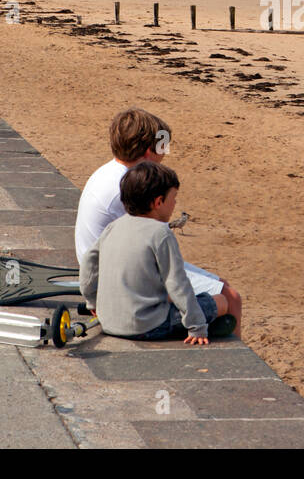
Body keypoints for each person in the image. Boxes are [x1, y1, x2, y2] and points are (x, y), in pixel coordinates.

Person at [74, 108, 236, 323]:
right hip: (121, 277)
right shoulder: (126, 190)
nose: (166, 154)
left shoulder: (110, 172)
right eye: (163, 147)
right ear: (149, 151)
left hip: (106, 267)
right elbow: (148, 248)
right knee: (229, 296)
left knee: (217, 287)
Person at [79, 161, 239, 344]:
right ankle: (209, 327)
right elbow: (178, 283)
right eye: (174, 198)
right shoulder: (161, 233)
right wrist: (197, 327)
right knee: (221, 301)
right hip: (147, 326)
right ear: (158, 202)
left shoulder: (113, 227)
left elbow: (89, 264)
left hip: (109, 321)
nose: (175, 203)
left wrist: (92, 301)